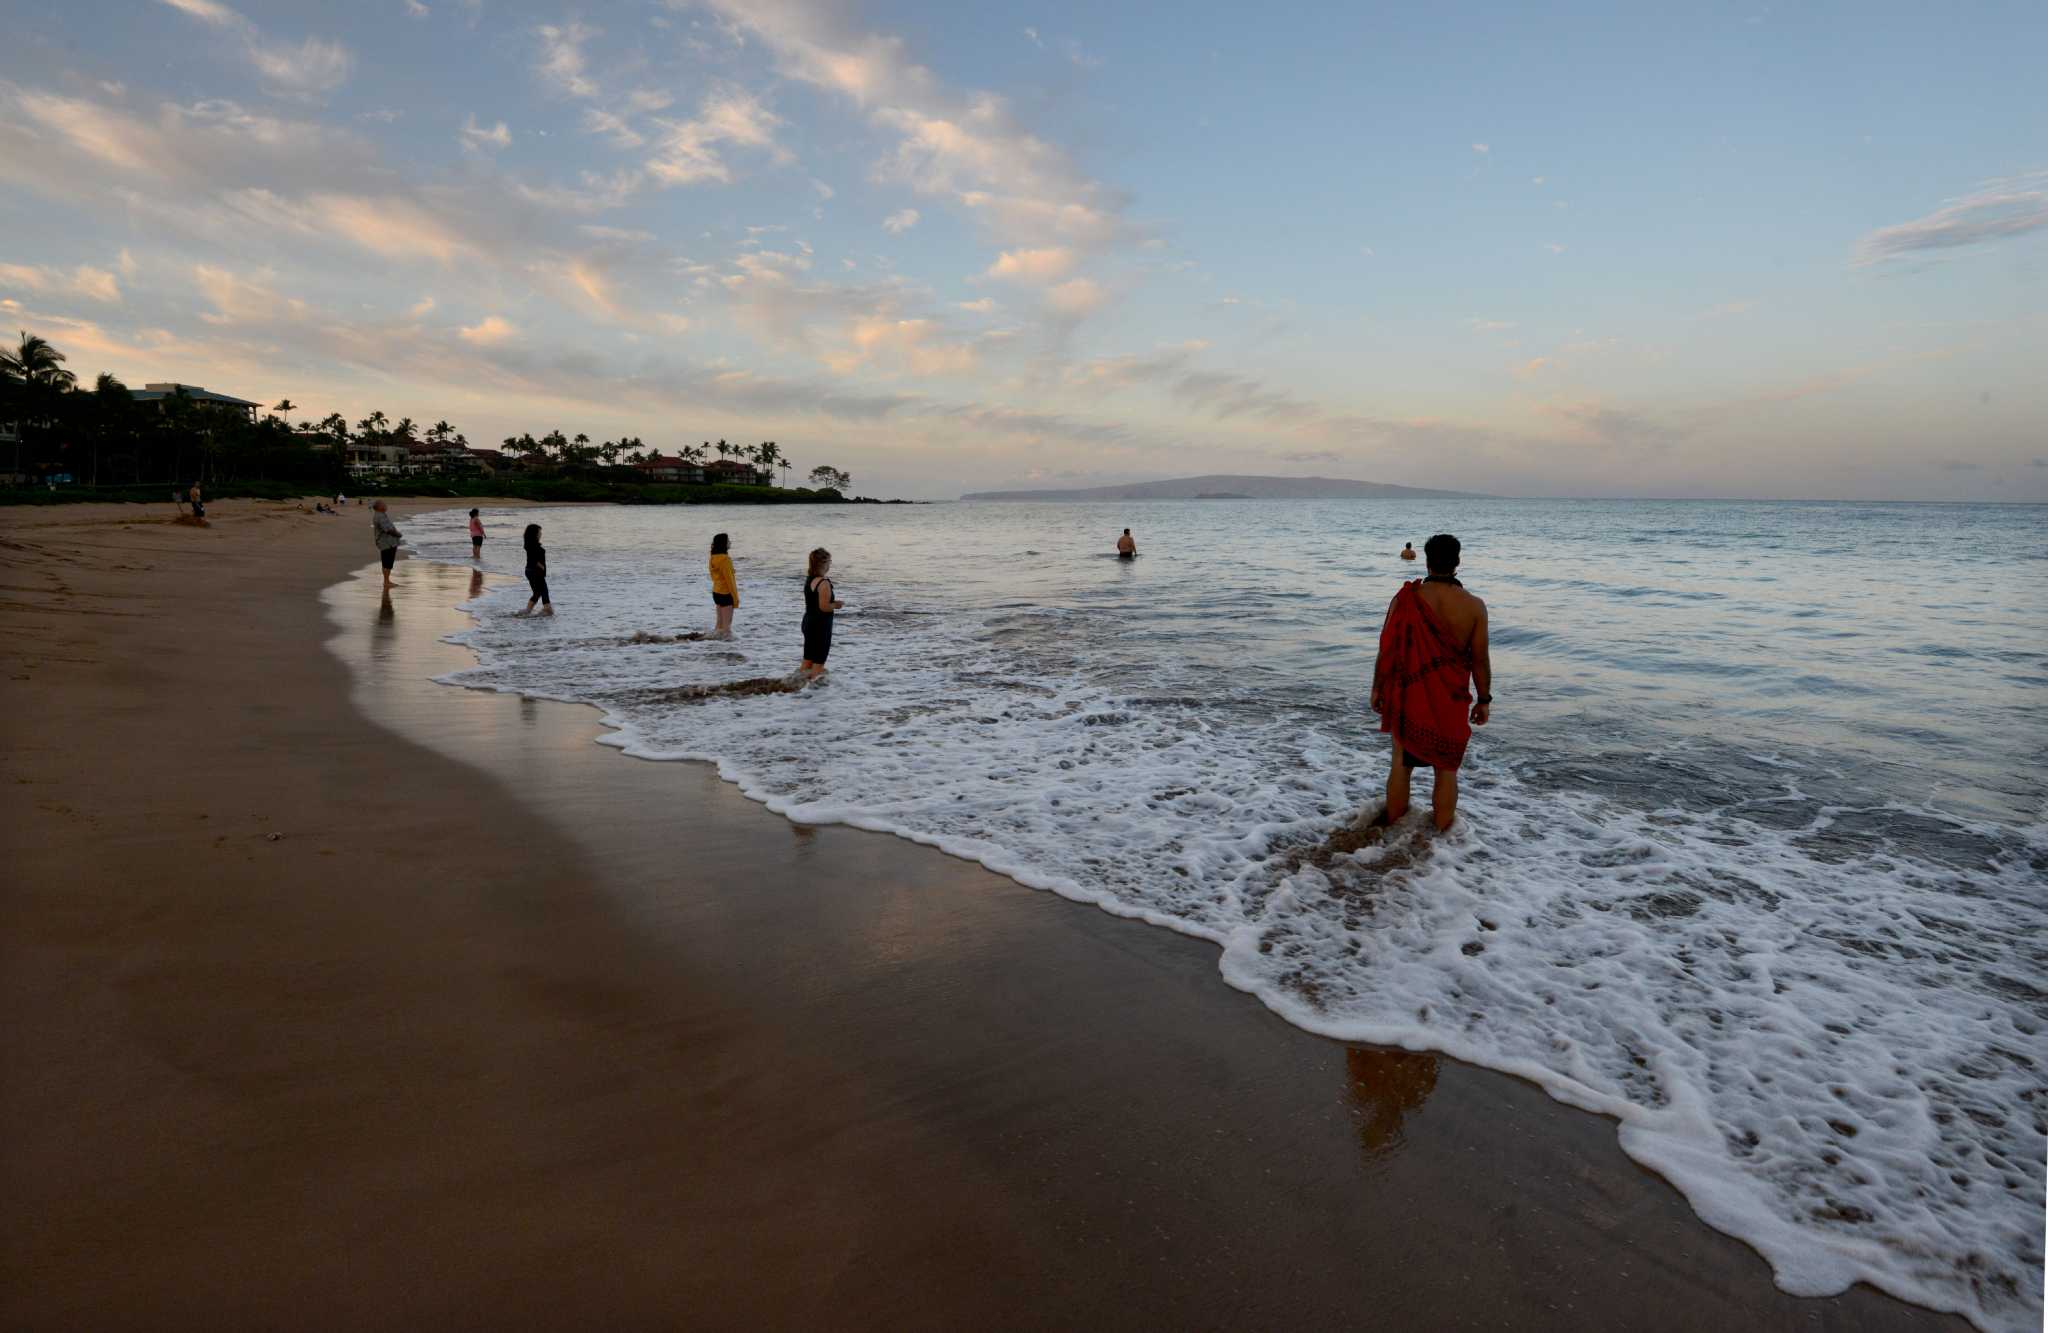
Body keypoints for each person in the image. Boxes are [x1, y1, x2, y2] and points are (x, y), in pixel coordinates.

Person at [1369, 533, 1491, 832]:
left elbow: (1387, 648)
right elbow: (1479, 659)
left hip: (1408, 692)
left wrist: (1377, 687)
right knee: (1447, 768)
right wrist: (1484, 699)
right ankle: (1442, 842)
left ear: (1427, 560)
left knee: (1401, 763)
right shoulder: (1474, 606)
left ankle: (1393, 832)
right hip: (1450, 698)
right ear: (1458, 561)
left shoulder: (1406, 598)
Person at [799, 546, 843, 679]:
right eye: (829, 561)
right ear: (823, 563)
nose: (830, 564)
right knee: (818, 661)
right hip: (820, 626)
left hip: (808, 622)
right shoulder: (824, 583)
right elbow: (824, 607)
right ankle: (810, 694)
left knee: (808, 659)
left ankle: (794, 684)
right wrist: (836, 605)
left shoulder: (809, 580)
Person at [516, 522, 553, 616]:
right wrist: (540, 566)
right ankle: (547, 609)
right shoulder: (533, 546)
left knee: (537, 592)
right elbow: (533, 558)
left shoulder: (530, 545)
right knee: (544, 591)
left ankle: (527, 611)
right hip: (535, 571)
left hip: (530, 571)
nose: (541, 534)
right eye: (539, 532)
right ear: (534, 534)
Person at [708, 532, 739, 639]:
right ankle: (727, 650)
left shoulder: (713, 557)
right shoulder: (725, 559)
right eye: (728, 540)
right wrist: (735, 599)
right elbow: (730, 581)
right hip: (726, 593)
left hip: (716, 591)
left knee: (719, 625)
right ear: (723, 544)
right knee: (727, 628)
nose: (730, 542)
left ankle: (714, 646)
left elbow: (713, 576)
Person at [371, 500, 402, 588]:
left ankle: (386, 581)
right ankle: (386, 582)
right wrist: (398, 534)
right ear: (379, 507)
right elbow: (387, 529)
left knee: (386, 562)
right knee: (388, 562)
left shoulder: (380, 515)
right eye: (384, 504)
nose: (386, 505)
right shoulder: (380, 516)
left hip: (386, 542)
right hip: (387, 543)